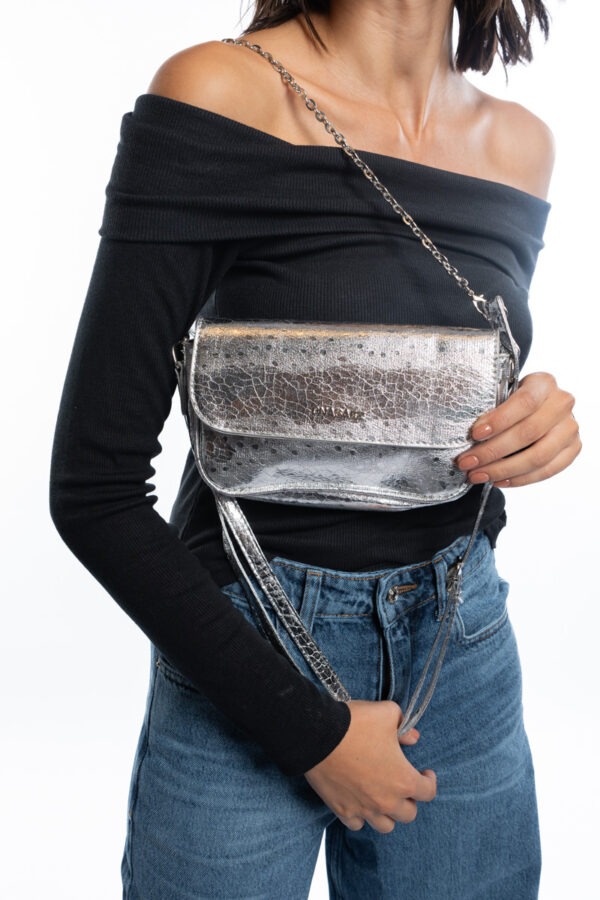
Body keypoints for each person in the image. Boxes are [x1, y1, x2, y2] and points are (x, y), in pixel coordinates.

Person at [49, 2, 581, 897]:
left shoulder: (519, 144)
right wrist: (309, 733)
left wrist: (531, 424)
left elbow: (429, 390)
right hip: (245, 649)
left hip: (462, 647)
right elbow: (93, 491)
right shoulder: (220, 91)